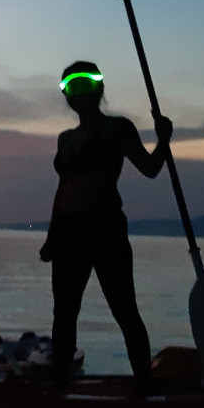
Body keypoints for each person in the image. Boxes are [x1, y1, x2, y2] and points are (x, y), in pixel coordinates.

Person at [40, 61, 172, 390]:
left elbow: (150, 168)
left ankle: (144, 384)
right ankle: (59, 385)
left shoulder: (117, 129)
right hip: (68, 231)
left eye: (85, 85)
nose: (79, 94)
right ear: (65, 95)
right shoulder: (65, 139)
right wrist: (51, 236)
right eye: (71, 87)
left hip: (105, 227)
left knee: (124, 308)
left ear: (99, 89)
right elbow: (63, 188)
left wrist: (164, 140)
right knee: (64, 313)